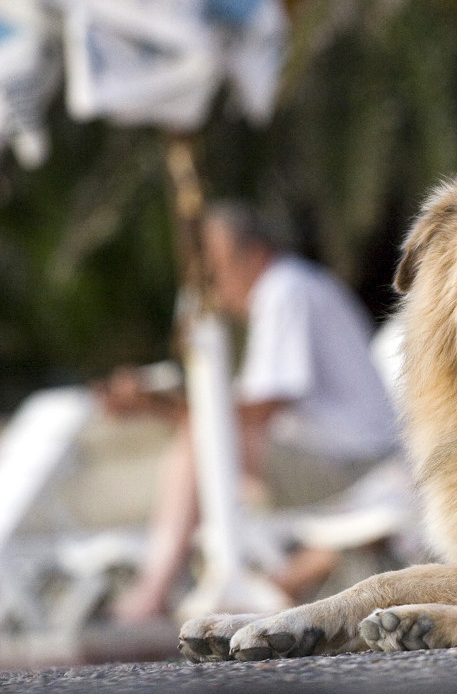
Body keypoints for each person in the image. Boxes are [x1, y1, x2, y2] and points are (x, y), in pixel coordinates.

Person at [99, 201, 402, 622]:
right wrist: (159, 406)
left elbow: (257, 412)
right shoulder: (291, 288)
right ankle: (198, 582)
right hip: (348, 455)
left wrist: (157, 403)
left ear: (254, 254)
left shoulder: (284, 290)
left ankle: (154, 590)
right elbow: (246, 414)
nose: (213, 285)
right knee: (205, 439)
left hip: (356, 462)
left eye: (217, 269)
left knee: (201, 440)